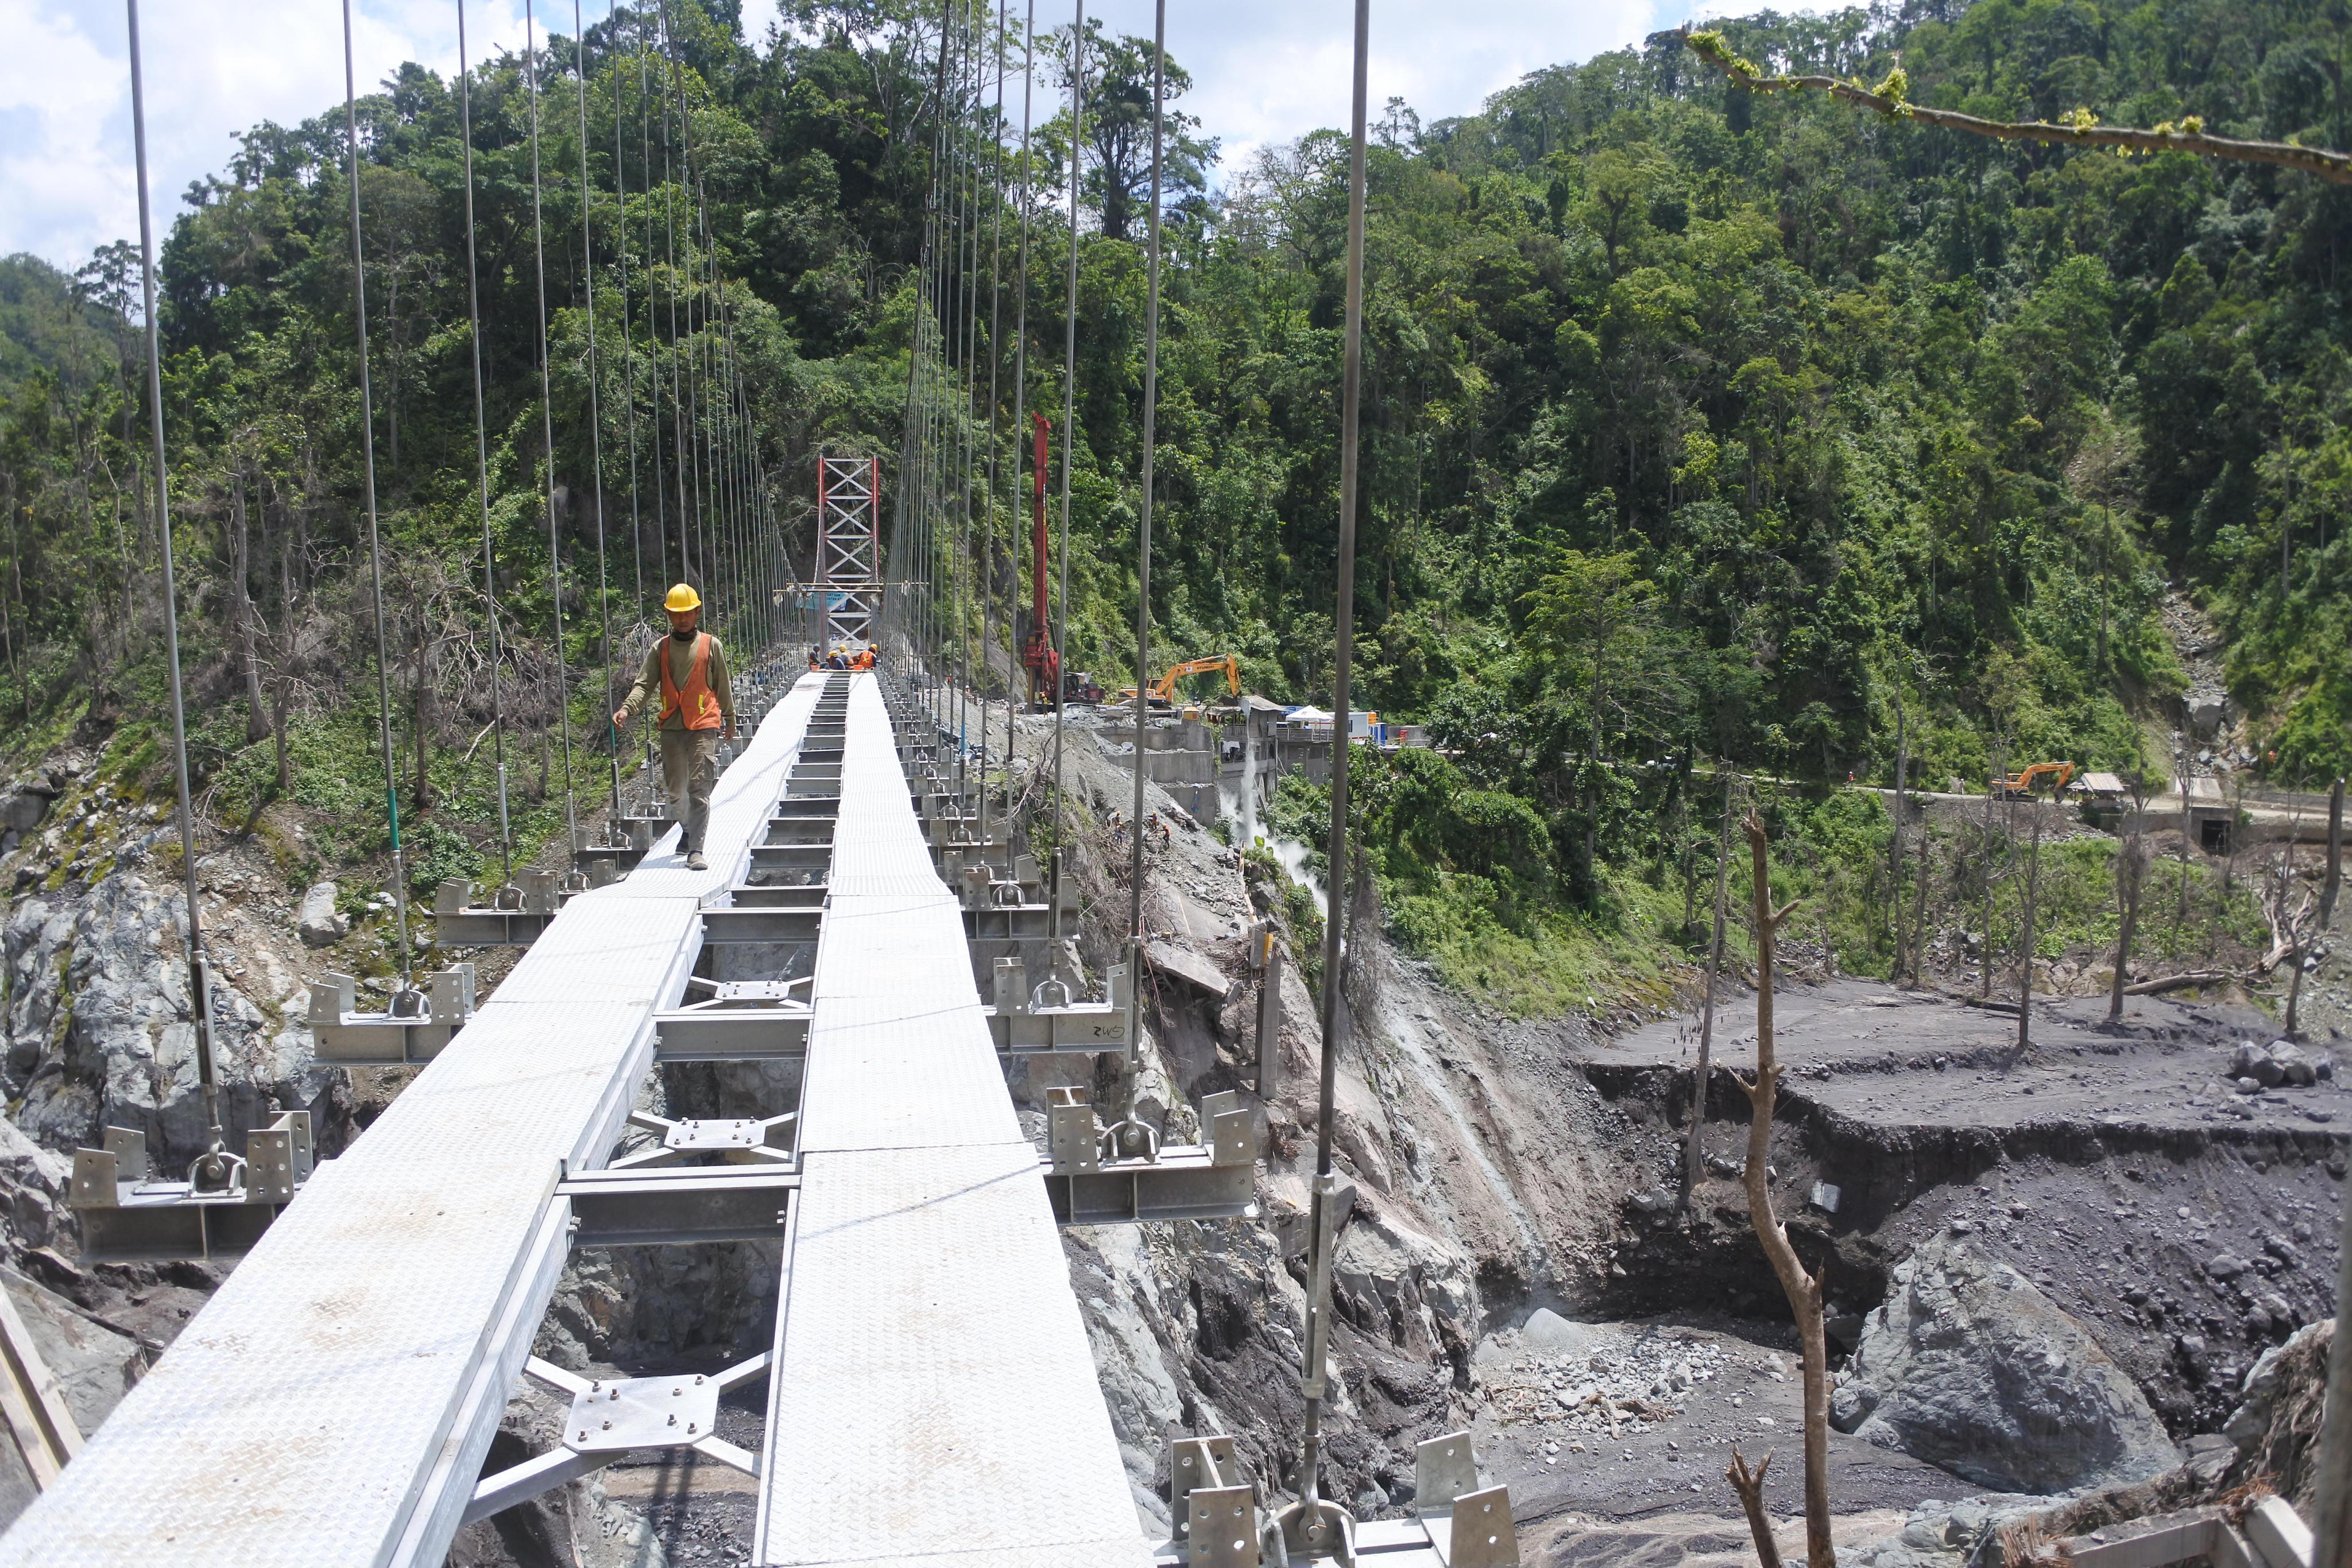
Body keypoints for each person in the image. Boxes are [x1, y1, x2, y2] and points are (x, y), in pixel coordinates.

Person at [613, 584, 735, 871]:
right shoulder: (661, 649)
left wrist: (729, 718)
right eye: (677, 614)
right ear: (669, 615)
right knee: (676, 792)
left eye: (688, 613)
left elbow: (723, 685)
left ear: (696, 612)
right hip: (671, 726)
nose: (683, 619)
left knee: (699, 788)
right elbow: (644, 685)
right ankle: (687, 829)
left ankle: (696, 850)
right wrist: (627, 708)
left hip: (703, 725)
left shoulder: (711, 645)